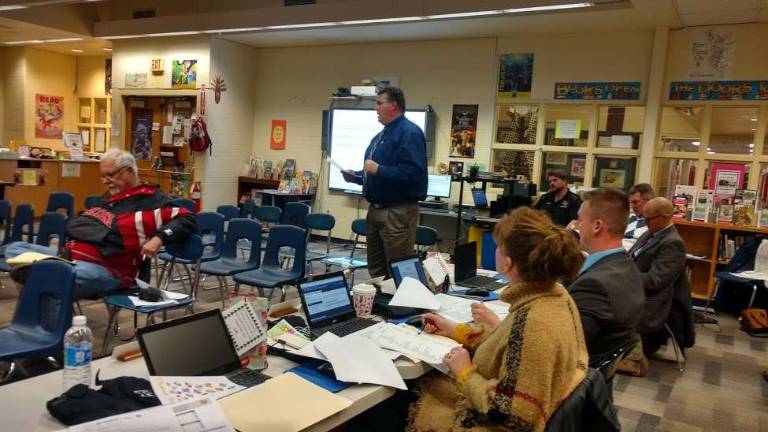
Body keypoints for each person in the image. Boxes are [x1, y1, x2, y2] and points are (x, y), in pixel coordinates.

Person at [409, 207, 588, 431]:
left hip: (486, 423)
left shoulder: (534, 323)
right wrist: (457, 331)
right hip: (540, 406)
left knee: (402, 399)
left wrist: (466, 373)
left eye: (499, 247)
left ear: (508, 263)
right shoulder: (557, 295)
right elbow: (508, 341)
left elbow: (513, 415)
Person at [6, 148, 197, 300]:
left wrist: (158, 238)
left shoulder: (152, 199)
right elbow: (76, 224)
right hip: (68, 257)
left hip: (108, 270)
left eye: (110, 175)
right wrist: (106, 231)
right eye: (102, 176)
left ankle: (44, 278)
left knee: (59, 281)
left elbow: (188, 219)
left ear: (129, 171)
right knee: (14, 249)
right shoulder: (112, 196)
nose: (105, 182)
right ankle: (46, 273)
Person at [342, 86, 427, 278]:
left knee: (399, 270)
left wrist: (379, 169)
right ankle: (381, 306)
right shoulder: (381, 136)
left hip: (397, 212)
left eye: (380, 103)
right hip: (376, 210)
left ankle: (402, 307)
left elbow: (414, 174)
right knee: (377, 270)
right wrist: (356, 176)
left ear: (394, 105)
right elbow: (375, 172)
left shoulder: (409, 133)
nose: (376, 108)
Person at [568, 188, 645, 366]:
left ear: (597, 226)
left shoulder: (594, 285)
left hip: (574, 380)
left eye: (580, 219)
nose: (576, 225)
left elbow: (563, 349)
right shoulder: (627, 267)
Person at [630, 197, 695, 355]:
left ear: (665, 217)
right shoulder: (650, 233)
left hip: (653, 300)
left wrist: (624, 277)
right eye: (644, 218)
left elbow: (655, 281)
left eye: (649, 218)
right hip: (636, 289)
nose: (645, 222)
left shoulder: (673, 243)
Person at [624, 183, 655, 247]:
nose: (632, 206)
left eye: (635, 202)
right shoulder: (627, 217)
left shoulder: (655, 223)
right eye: (631, 202)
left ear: (649, 201)